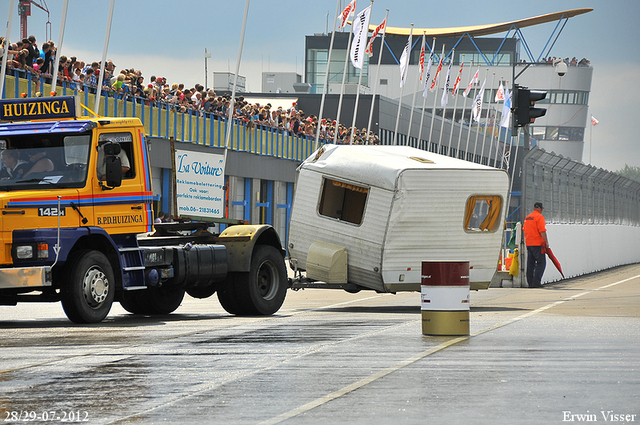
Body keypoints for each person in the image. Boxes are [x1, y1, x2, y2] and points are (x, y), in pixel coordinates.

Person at [523, 202, 550, 288]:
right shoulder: (539, 217)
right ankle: (536, 282)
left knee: (530, 263)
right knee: (541, 263)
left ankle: (530, 283)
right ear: (540, 209)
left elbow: (524, 229)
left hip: (529, 243)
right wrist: (546, 242)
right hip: (538, 244)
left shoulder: (527, 217)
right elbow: (542, 230)